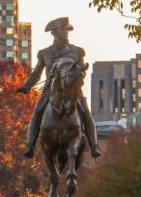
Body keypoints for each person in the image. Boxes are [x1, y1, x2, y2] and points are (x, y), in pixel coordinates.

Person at [18, 16, 101, 159]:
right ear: (54, 32)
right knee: (38, 111)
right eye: (63, 29)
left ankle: (94, 144)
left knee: (85, 111)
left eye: (67, 29)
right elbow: (36, 73)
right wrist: (27, 86)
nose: (66, 32)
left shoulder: (77, 51)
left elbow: (82, 71)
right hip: (51, 90)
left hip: (72, 90)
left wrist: (76, 78)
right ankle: (30, 145)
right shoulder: (45, 53)